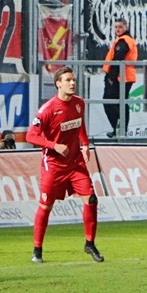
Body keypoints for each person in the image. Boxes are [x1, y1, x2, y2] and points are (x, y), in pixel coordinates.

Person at [25, 66, 104, 264]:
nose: (72, 83)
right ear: (58, 83)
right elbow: (30, 135)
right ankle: (37, 249)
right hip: (54, 164)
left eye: (73, 79)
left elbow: (79, 124)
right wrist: (54, 146)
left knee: (91, 199)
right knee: (46, 205)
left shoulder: (79, 103)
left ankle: (90, 243)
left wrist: (85, 144)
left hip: (75, 162)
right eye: (68, 80)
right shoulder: (48, 109)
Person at [102, 18, 138, 138]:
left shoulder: (124, 41)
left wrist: (111, 77)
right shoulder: (126, 40)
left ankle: (119, 126)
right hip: (124, 76)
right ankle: (120, 128)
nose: (117, 29)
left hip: (120, 77)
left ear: (126, 27)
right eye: (116, 27)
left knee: (110, 101)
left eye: (120, 27)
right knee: (121, 103)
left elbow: (118, 59)